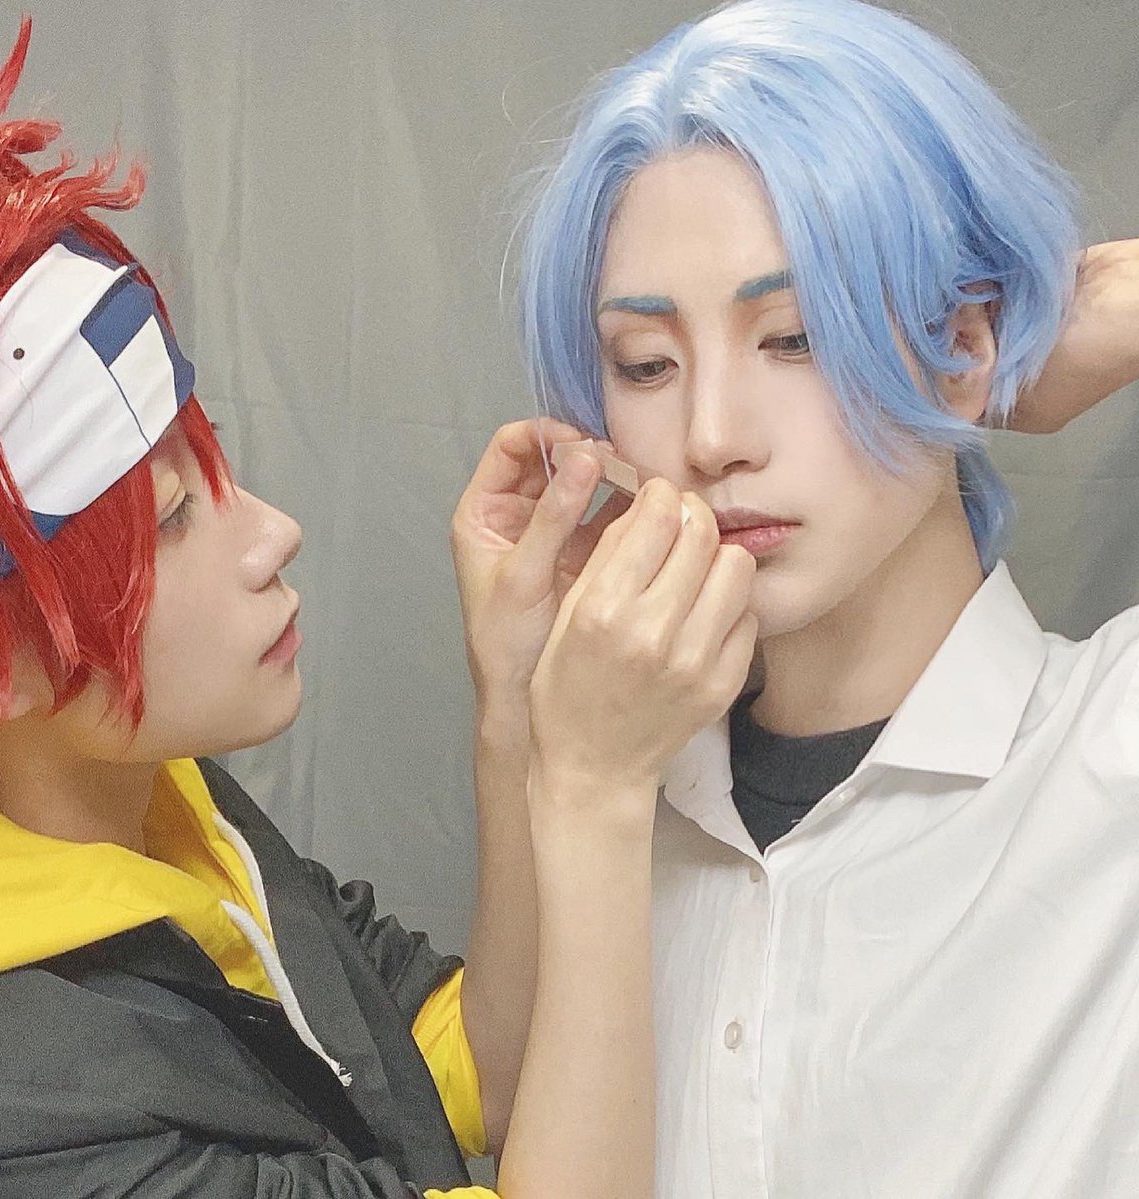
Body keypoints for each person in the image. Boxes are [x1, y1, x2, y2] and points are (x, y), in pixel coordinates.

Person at [0, 21, 754, 1199]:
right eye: (174, 516)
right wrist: (596, 790)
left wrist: (514, 704)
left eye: (211, 464)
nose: (272, 532)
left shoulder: (161, 807)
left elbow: (471, 1065)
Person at [481, 0, 1139, 1195]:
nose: (712, 435)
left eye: (793, 337)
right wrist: (523, 727)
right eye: (646, 364)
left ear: (964, 346)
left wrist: (1076, 316)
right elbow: (485, 1120)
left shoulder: (1112, 753)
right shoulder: (609, 797)